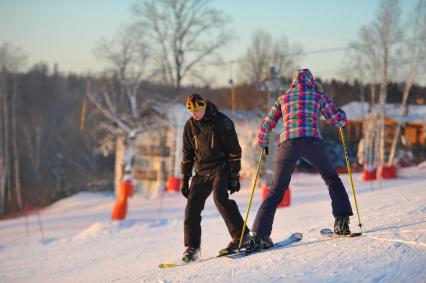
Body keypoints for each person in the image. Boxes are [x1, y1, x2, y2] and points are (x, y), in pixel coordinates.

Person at [249, 69, 354, 250]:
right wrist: (342, 116)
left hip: (288, 144)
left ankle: (259, 235)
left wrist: (263, 143)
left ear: (293, 82)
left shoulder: (283, 98)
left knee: (276, 189)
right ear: (311, 81)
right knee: (331, 178)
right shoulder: (318, 96)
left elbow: (266, 124)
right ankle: (342, 222)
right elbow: (335, 119)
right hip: (312, 141)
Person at [180, 93, 250, 262]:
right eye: (191, 111)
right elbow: (187, 154)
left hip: (221, 167)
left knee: (220, 198)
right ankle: (192, 247)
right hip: (202, 171)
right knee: (192, 207)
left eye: (197, 110)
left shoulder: (222, 122)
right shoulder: (190, 126)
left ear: (204, 106)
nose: (195, 114)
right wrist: (185, 177)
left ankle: (241, 236)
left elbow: (234, 150)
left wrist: (234, 175)